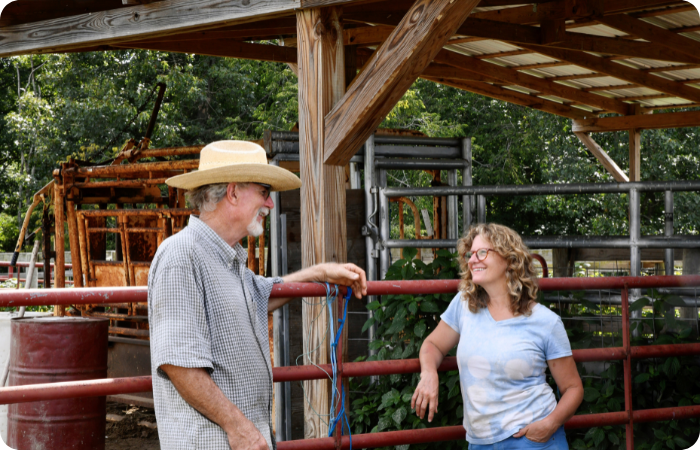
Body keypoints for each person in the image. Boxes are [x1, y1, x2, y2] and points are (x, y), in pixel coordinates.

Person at [148, 140, 367, 450]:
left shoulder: (227, 259)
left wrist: (319, 273)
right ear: (233, 192)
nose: (270, 204)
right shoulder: (181, 255)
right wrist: (239, 428)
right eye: (264, 192)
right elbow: (179, 365)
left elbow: (259, 295)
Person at [411, 223, 582, 449]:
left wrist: (549, 424)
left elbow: (573, 388)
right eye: (470, 254)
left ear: (509, 259)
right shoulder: (464, 305)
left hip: (534, 440)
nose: (472, 260)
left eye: (482, 252)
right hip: (481, 443)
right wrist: (429, 373)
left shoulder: (546, 322)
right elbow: (433, 344)